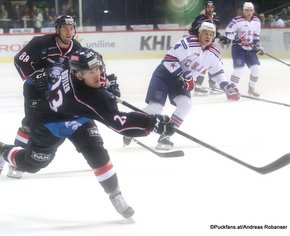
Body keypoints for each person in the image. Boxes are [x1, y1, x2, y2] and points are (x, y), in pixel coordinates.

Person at [0, 47, 175, 219]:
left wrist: (108, 83)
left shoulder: (75, 70)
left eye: (97, 68)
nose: (97, 74)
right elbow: (120, 124)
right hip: (49, 123)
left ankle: (115, 194)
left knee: (98, 156)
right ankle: (2, 150)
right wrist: (153, 123)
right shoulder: (86, 97)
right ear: (79, 75)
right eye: (91, 71)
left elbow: (96, 74)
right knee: (31, 164)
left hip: (80, 118)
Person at [135, 22, 240, 150]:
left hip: (180, 83)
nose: (208, 36)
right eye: (205, 33)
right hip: (164, 76)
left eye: (211, 34)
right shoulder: (187, 43)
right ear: (200, 33)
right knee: (155, 108)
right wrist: (186, 77)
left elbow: (218, 74)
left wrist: (227, 87)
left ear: (214, 37)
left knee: (186, 105)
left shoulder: (214, 54)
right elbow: (169, 60)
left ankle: (166, 135)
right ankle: (132, 125)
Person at [7, 15, 83, 179]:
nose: (68, 31)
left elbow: (79, 72)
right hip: (34, 89)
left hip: (57, 92)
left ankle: (91, 150)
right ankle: (15, 161)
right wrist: (35, 75)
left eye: (71, 28)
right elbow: (19, 60)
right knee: (29, 124)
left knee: (69, 122)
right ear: (58, 29)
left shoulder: (76, 48)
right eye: (64, 28)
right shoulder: (40, 43)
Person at [188, 0, 231, 95]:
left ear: (214, 8)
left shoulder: (216, 20)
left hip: (211, 44)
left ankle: (212, 85)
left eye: (211, 7)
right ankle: (198, 85)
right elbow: (191, 30)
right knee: (203, 63)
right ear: (205, 7)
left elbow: (215, 33)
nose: (209, 9)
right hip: (201, 45)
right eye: (208, 7)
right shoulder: (200, 18)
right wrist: (199, 41)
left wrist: (221, 37)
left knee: (215, 63)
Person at [225, 2, 264, 97]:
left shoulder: (257, 21)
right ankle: (231, 89)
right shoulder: (236, 20)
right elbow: (227, 32)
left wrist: (258, 46)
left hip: (250, 49)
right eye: (247, 10)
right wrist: (236, 37)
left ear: (253, 11)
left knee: (256, 69)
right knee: (239, 69)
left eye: (251, 10)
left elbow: (256, 37)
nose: (249, 12)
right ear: (243, 11)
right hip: (238, 48)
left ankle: (251, 88)